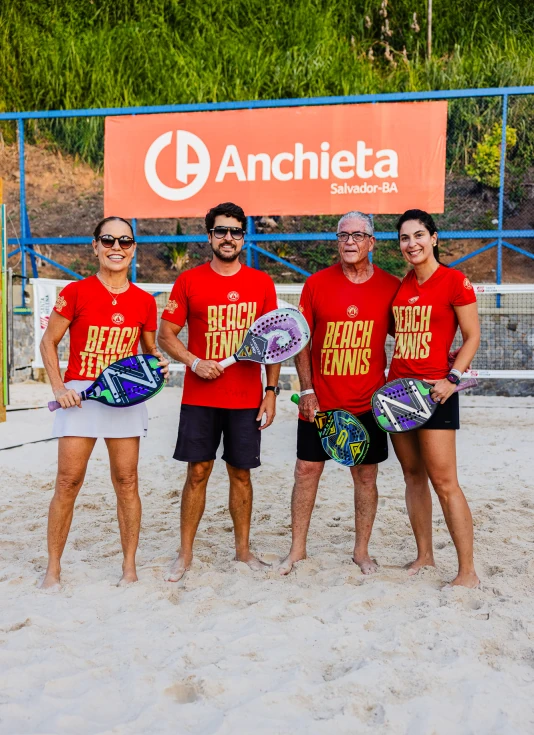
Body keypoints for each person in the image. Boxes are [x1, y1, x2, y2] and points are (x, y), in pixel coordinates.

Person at [39, 216, 168, 590]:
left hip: (124, 396)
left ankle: (129, 568)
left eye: (124, 241)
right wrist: (59, 387)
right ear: (95, 245)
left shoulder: (144, 301)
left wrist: (158, 362)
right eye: (108, 240)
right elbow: (48, 342)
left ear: (133, 249)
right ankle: (53, 570)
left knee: (127, 481)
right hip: (79, 397)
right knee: (68, 482)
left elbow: (149, 352)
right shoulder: (75, 292)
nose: (116, 247)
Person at [158, 201, 280, 581]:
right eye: (221, 231)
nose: (229, 238)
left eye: (235, 232)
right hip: (200, 398)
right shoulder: (189, 281)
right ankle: (185, 554)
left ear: (244, 237)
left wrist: (271, 391)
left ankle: (243, 552)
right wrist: (194, 361)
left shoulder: (261, 283)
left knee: (241, 475)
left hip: (245, 398)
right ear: (209, 236)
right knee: (198, 472)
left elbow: (274, 342)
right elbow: (165, 335)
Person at [279, 211, 401, 575]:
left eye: (358, 235)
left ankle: (361, 552)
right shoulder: (316, 284)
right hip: (320, 403)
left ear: (371, 242)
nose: (350, 241)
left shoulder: (390, 286)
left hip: (368, 404)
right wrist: (307, 390)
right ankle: (297, 550)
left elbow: (409, 335)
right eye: (343, 235)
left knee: (365, 477)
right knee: (306, 471)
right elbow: (301, 341)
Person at [388, 209, 480, 588]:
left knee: (444, 482)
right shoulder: (401, 286)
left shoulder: (455, 281)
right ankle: (424, 555)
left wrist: (452, 378)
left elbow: (472, 336)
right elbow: (397, 332)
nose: (412, 244)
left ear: (434, 238)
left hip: (436, 392)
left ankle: (467, 572)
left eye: (419, 235)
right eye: (405, 238)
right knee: (413, 477)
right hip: (397, 394)